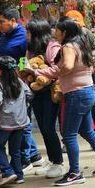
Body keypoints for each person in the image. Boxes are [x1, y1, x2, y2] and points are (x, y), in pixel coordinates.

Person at [42, 17, 95, 186]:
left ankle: (75, 172)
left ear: (65, 32)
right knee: (87, 131)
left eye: (58, 31)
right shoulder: (81, 44)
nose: (55, 33)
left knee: (69, 135)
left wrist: (55, 73)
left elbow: (67, 66)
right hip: (87, 91)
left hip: (76, 94)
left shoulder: (68, 46)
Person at [0, 5, 44, 172]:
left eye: (2, 22)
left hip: (18, 83)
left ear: (13, 21)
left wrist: (21, 74)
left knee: (22, 121)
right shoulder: (4, 36)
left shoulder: (23, 37)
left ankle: (26, 157)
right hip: (7, 80)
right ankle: (34, 154)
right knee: (22, 120)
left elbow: (26, 58)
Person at [0, 56, 34, 187]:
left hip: (5, 123)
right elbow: (29, 95)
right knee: (15, 150)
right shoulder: (20, 82)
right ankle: (19, 175)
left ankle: (7, 172)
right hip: (21, 122)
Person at [25, 18, 65, 178]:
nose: (26, 35)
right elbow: (24, 63)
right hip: (35, 92)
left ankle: (58, 163)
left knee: (49, 127)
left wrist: (36, 72)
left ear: (36, 34)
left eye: (28, 32)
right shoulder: (30, 48)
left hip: (50, 92)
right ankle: (52, 159)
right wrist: (23, 69)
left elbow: (58, 69)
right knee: (42, 127)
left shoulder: (52, 47)